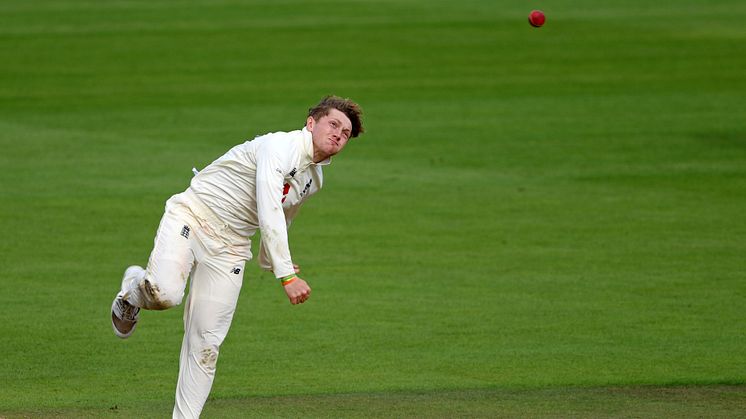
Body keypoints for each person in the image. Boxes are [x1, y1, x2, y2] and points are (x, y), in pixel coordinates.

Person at [110, 95, 364, 418]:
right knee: (165, 294)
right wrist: (286, 275)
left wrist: (269, 260)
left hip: (231, 246)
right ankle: (132, 290)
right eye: (334, 124)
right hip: (195, 214)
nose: (339, 135)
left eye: (345, 133)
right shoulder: (278, 147)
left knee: (206, 345)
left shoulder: (313, 179)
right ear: (311, 123)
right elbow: (269, 203)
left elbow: (282, 216)